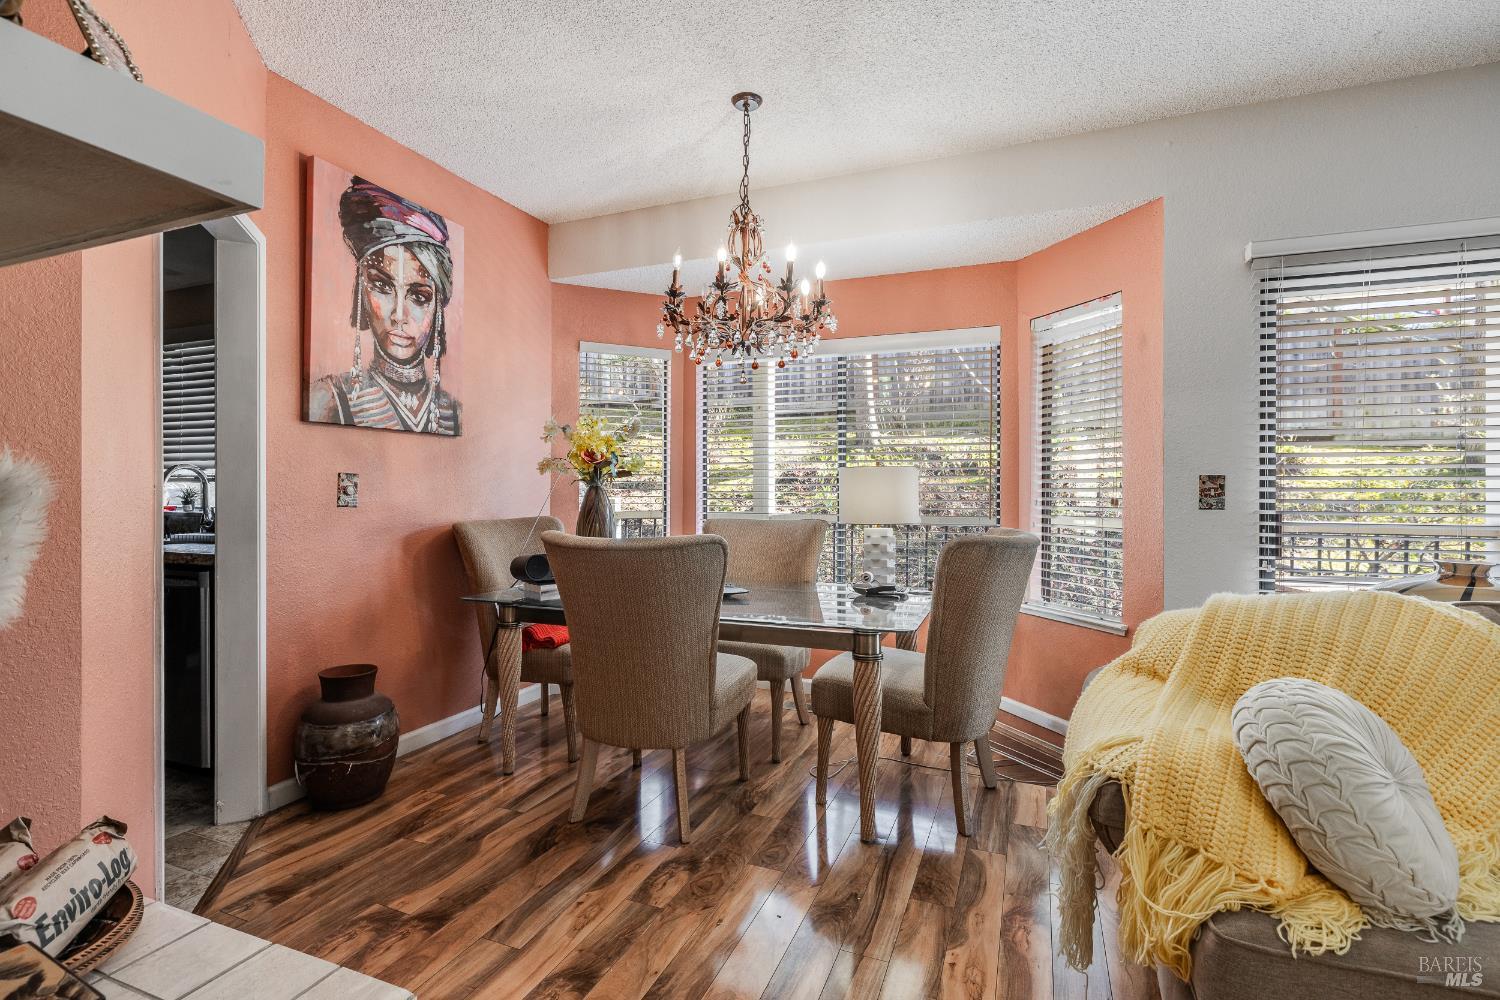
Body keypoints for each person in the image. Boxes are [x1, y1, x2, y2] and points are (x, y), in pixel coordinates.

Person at [309, 177, 461, 435]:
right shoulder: (328, 398)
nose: (399, 315)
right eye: (382, 286)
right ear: (362, 290)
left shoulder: (454, 413)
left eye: (419, 296)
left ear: (437, 306)